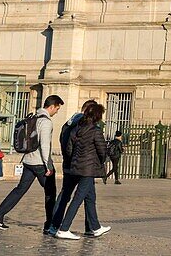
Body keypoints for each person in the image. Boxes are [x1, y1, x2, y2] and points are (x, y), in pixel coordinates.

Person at [0, 94, 64, 232]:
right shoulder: (46, 122)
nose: (56, 112)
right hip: (40, 163)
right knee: (50, 193)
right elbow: (45, 145)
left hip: (28, 161)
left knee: (19, 190)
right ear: (52, 106)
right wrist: (48, 165)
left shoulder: (33, 117)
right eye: (57, 109)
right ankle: (50, 225)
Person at [53, 102, 110, 240]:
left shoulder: (76, 130)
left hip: (76, 167)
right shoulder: (95, 131)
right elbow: (102, 151)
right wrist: (100, 161)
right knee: (77, 199)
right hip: (88, 169)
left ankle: (95, 227)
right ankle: (64, 228)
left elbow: (69, 149)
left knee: (90, 198)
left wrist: (75, 160)